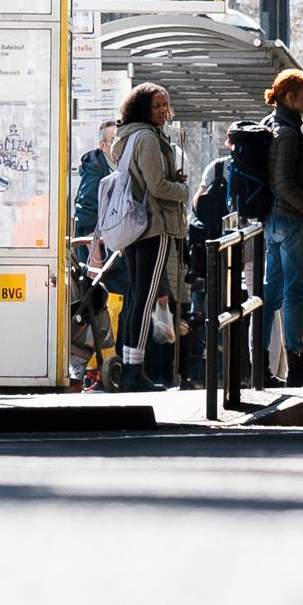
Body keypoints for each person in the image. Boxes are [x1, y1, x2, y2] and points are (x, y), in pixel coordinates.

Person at [104, 84, 186, 386]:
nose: (163, 111)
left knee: (136, 296)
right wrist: (182, 190)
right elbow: (157, 187)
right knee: (145, 298)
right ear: (142, 109)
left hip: (134, 229)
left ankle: (129, 366)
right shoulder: (148, 139)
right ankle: (134, 371)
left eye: (166, 104)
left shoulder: (125, 138)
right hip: (154, 225)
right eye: (157, 106)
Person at [259, 71, 303, 386]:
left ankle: (259, 367)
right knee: (294, 293)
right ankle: (297, 368)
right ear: (289, 98)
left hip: (273, 221)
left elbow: (279, 174)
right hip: (290, 221)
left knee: (271, 295)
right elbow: (283, 184)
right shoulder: (287, 133)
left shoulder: (273, 126)